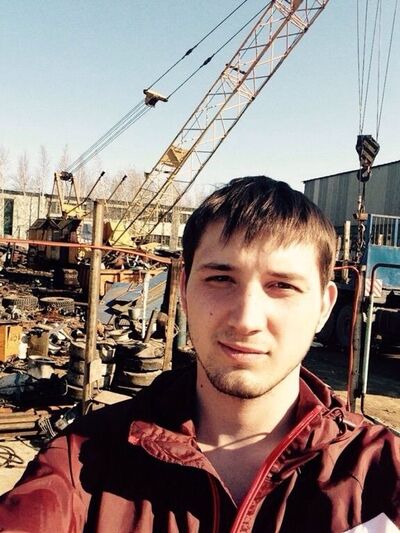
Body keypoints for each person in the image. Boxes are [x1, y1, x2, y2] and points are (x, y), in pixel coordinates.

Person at [0, 176, 399, 532]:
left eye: (282, 286)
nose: (246, 319)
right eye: (221, 278)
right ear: (184, 291)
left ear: (324, 307)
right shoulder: (82, 464)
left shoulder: (382, 475)